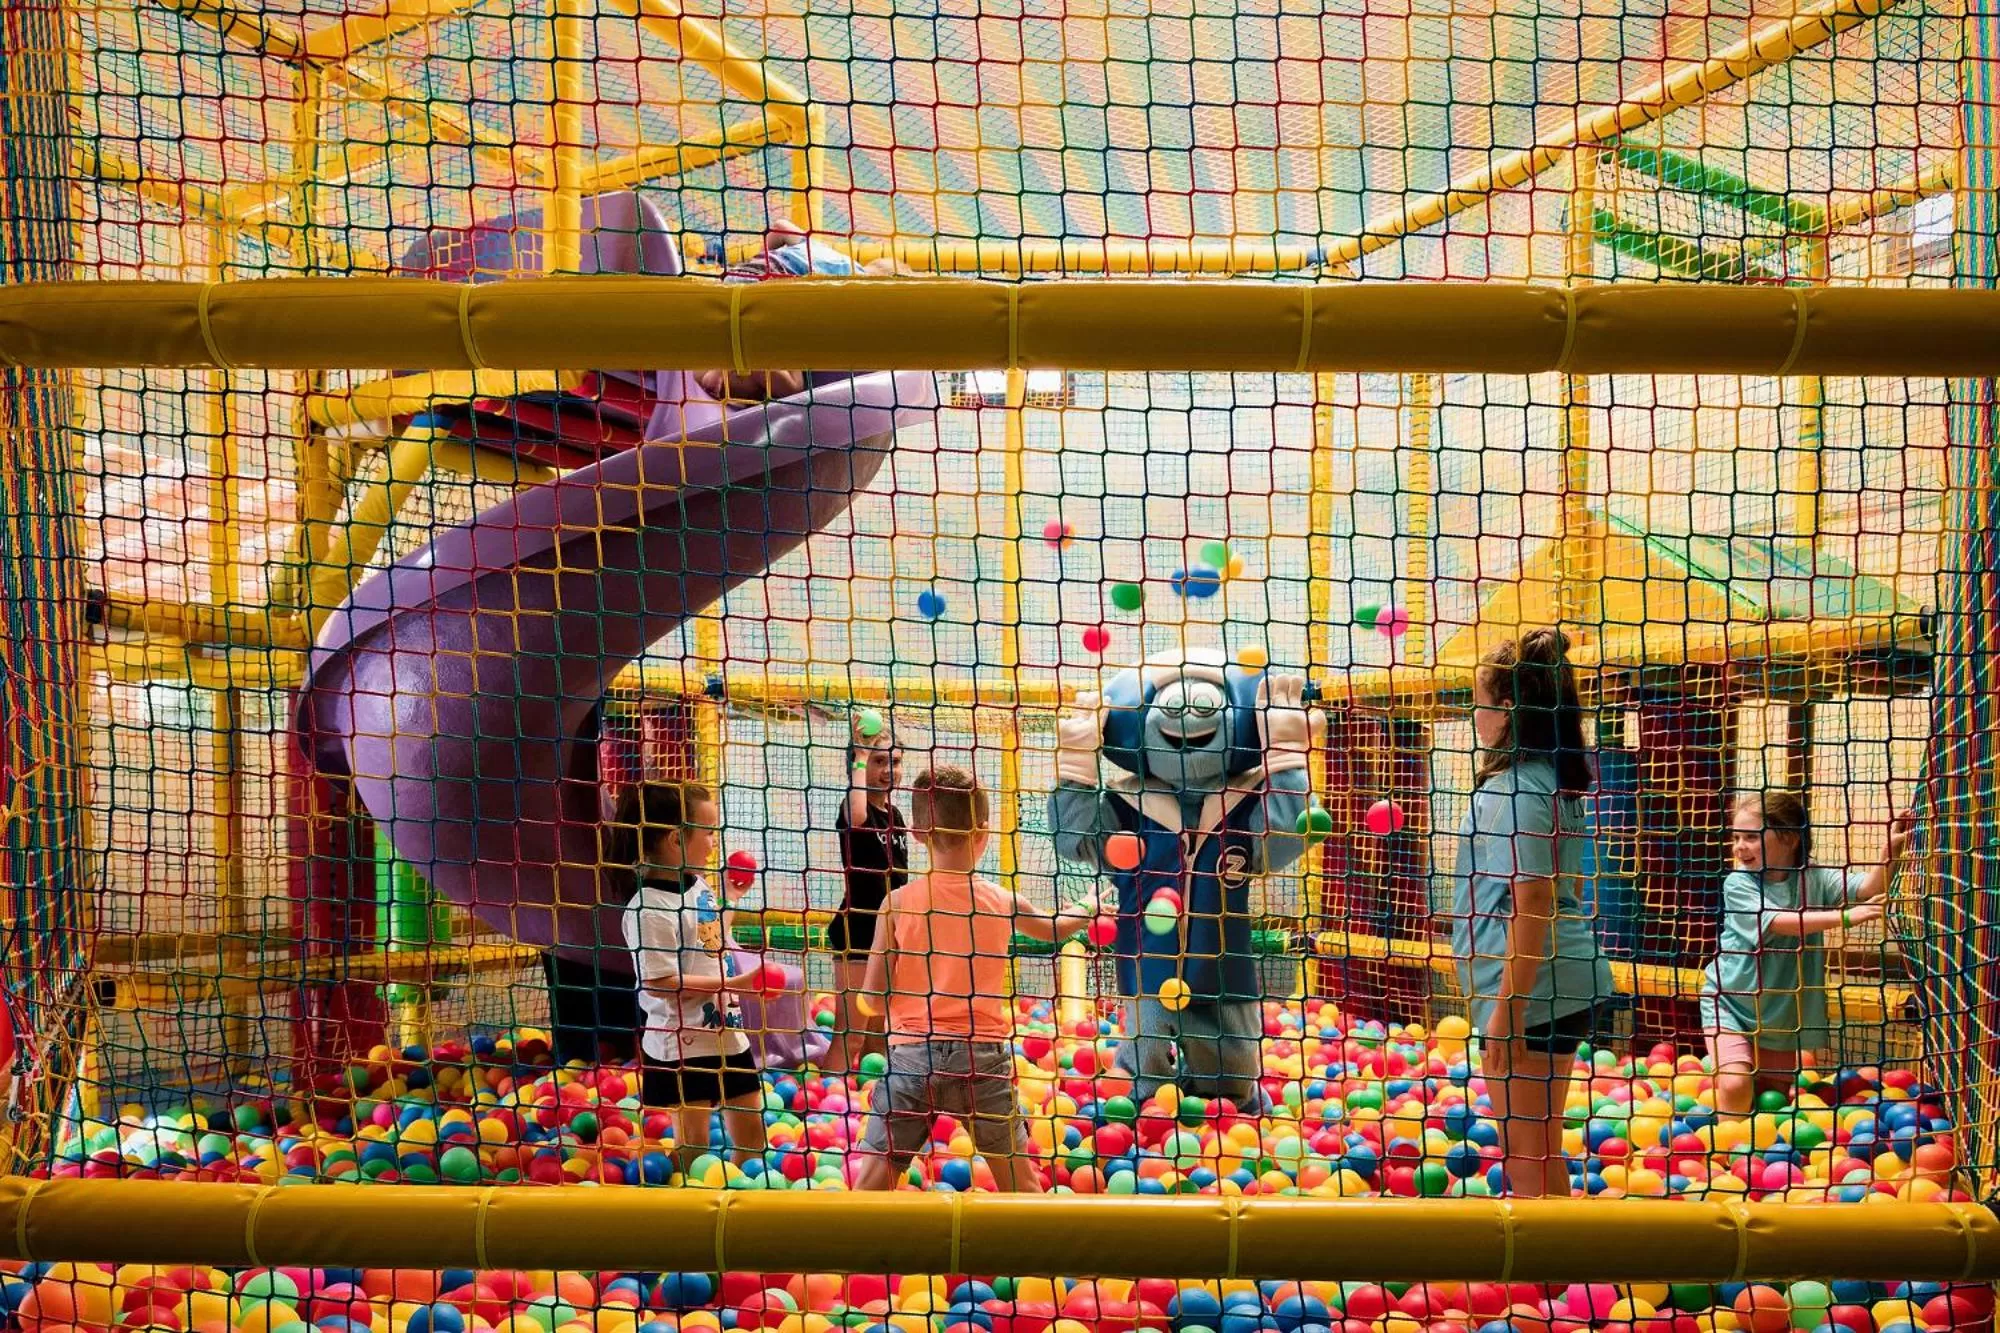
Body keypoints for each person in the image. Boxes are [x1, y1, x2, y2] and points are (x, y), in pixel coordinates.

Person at [851, 765, 1107, 1192]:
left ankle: (840, 1251)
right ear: (983, 833)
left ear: (916, 834)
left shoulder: (896, 904)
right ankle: (1044, 1256)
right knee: (1019, 1181)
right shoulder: (1001, 900)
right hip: (981, 1061)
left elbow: (873, 998)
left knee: (875, 1178)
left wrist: (878, 1002)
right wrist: (1089, 905)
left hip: (913, 1058)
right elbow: (1054, 927)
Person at [1452, 627, 1615, 1198]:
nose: (1475, 716)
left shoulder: (1514, 787)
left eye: (1480, 702)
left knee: (1523, 1148)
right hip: (1563, 980)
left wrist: (1508, 1010)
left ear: (1506, 709)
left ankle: (1540, 1284)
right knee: (1540, 1142)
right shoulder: (1552, 780)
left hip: (1532, 986)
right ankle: (1563, 1282)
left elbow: (1533, 898)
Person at [1702, 791, 1911, 1117]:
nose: (1739, 846)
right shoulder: (1739, 883)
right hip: (1731, 1001)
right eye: (1736, 837)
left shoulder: (1814, 878)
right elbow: (1778, 922)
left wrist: (1889, 854)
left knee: (1771, 1101)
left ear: (1788, 839)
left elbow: (1868, 888)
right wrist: (1844, 917)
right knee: (1734, 1086)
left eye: (1751, 837)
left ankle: (1761, 1157)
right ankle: (1729, 1155)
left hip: (1784, 1011)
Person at [613, 780, 768, 1174]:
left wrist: (731, 899)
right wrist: (733, 986)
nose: (714, 842)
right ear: (675, 840)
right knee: (694, 1146)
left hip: (726, 1035)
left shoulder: (699, 886)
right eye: (708, 833)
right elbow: (660, 984)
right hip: (682, 1045)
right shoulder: (648, 908)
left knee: (753, 1138)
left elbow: (710, 937)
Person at [825, 717, 908, 1073]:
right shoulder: (855, 809)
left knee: (879, 1030)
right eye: (879, 761)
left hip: (890, 931)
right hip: (858, 929)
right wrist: (859, 756)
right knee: (852, 1032)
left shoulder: (896, 814)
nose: (889, 769)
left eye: (895, 761)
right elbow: (858, 813)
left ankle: (871, 1101)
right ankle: (821, 1106)